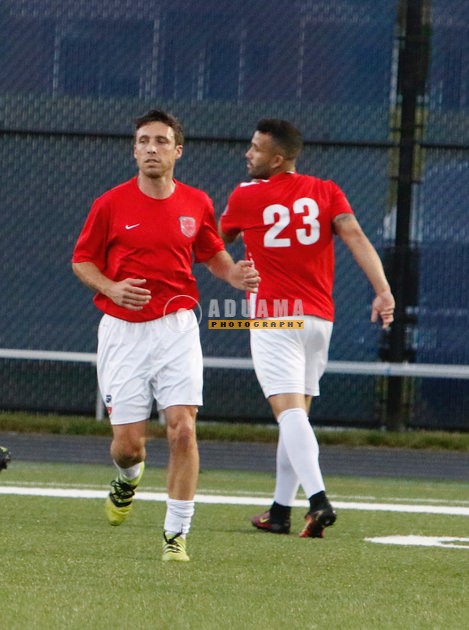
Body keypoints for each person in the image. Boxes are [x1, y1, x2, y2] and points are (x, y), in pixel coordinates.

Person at [72, 108, 259, 562]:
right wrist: (111, 287)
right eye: (143, 141)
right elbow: (82, 261)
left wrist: (232, 274)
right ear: (134, 151)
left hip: (177, 328)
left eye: (160, 141)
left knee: (182, 430)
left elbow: (211, 251)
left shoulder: (196, 202)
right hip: (123, 332)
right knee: (127, 446)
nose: (151, 148)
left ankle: (176, 534)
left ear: (178, 151)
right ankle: (127, 478)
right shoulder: (110, 203)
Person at [219, 119, 395, 539]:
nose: (248, 153)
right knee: (296, 417)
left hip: (275, 316)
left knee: (290, 415)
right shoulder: (326, 190)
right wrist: (383, 290)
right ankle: (280, 511)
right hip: (319, 320)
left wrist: (231, 266)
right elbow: (355, 236)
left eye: (257, 148)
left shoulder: (246, 195)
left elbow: (216, 239)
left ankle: (318, 501)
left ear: (277, 159)